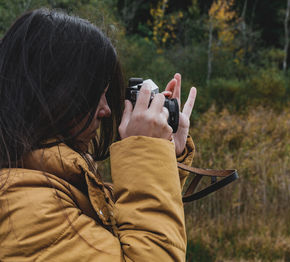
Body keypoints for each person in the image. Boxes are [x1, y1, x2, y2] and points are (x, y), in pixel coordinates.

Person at [0, 8, 197, 262]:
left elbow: (129, 231)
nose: (105, 109)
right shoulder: (20, 204)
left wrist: (166, 159)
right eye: (95, 94)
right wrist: (145, 150)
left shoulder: (49, 181)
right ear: (53, 93)